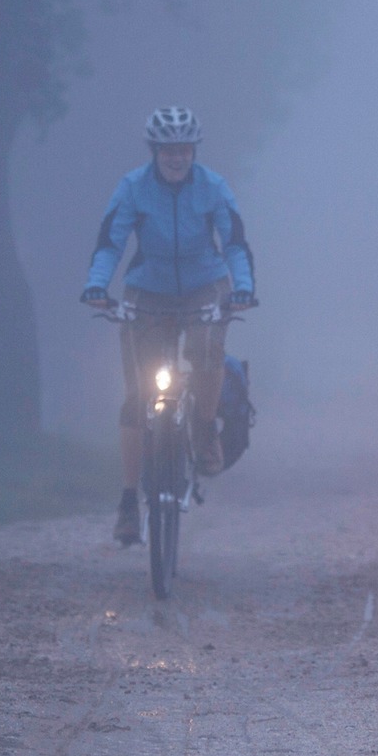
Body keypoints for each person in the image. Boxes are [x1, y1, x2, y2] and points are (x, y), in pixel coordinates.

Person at [81, 106, 255, 546]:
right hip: (149, 290)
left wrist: (243, 288)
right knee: (138, 395)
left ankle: (201, 426)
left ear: (193, 151)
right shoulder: (133, 188)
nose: (177, 158)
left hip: (203, 285)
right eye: (168, 150)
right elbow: (110, 241)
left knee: (207, 350)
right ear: (154, 152)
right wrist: (97, 285)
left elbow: (234, 242)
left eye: (184, 150)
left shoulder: (213, 187)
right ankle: (127, 501)